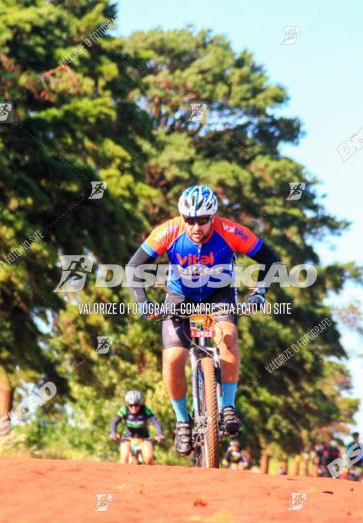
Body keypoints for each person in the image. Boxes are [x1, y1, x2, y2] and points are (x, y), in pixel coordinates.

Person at [126, 185, 282, 455]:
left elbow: (270, 259)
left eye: (202, 220)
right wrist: (143, 302)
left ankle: (228, 406)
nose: (195, 226)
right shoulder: (168, 231)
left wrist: (259, 293)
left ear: (213, 217)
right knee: (174, 358)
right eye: (189, 220)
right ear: (181, 217)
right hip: (180, 296)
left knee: (228, 337)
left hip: (219, 294)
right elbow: (133, 267)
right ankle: (182, 421)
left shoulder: (232, 232)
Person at [109, 390, 164, 464]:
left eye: (136, 405)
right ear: (127, 404)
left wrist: (159, 434)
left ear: (140, 404)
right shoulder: (124, 410)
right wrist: (113, 433)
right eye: (130, 405)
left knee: (149, 460)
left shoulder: (145, 409)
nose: (133, 407)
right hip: (127, 438)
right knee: (124, 459)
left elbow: (155, 421)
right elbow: (114, 422)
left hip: (144, 438)